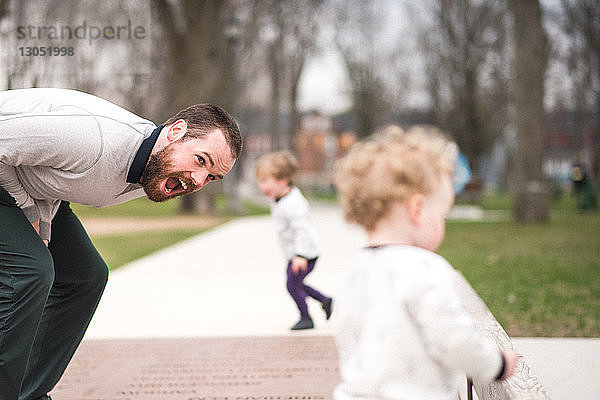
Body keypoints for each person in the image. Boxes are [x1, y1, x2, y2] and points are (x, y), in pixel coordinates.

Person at [0, 87, 242, 400]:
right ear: (176, 132)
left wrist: (42, 223)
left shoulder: (154, 171)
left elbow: (52, 178)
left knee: (87, 276)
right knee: (32, 271)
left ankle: (27, 391)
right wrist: (29, 212)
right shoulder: (93, 139)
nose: (198, 180)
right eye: (200, 160)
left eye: (211, 177)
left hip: (28, 189)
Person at [332, 125, 519, 400]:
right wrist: (497, 363)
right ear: (417, 210)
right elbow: (454, 338)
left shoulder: (353, 270)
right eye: (442, 214)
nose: (443, 224)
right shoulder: (424, 268)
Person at [255, 151, 333, 330]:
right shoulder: (280, 198)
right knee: (297, 283)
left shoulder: (293, 203)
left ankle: (306, 318)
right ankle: (326, 301)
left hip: (305, 253)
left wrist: (300, 255)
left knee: (292, 285)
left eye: (265, 181)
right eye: (260, 181)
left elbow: (303, 230)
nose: (261, 186)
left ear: (282, 180)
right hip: (295, 253)